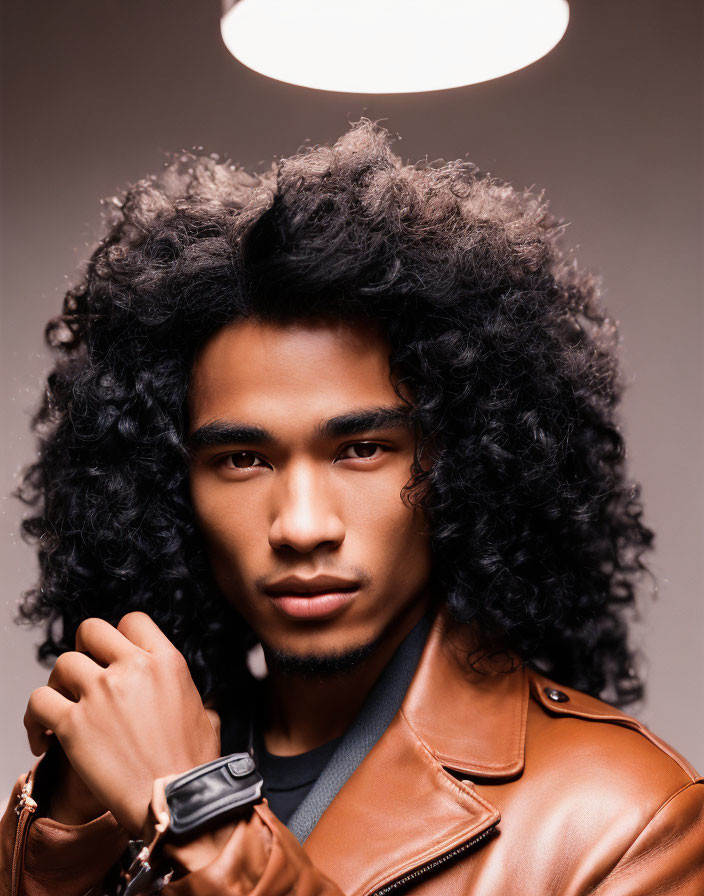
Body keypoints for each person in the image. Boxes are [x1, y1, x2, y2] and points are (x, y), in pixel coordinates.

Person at [1, 118, 702, 896]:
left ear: (466, 458)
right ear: (169, 489)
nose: (302, 526)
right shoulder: (96, 794)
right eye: (241, 459)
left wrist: (196, 807)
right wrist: (64, 834)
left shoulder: (629, 821)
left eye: (362, 449)